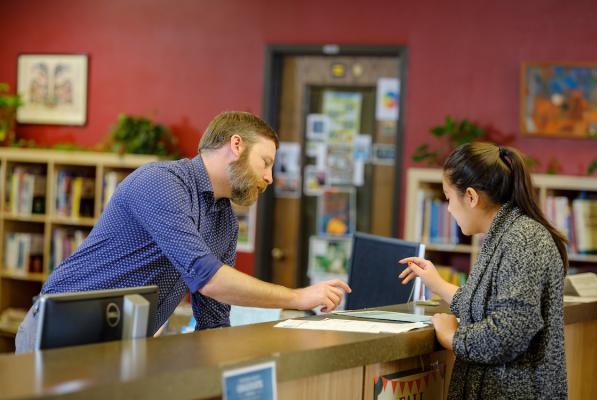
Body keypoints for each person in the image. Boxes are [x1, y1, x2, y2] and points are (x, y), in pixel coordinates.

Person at [16, 111, 351, 353]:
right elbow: (206, 276)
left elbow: (214, 318)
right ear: (236, 145)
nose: (269, 178)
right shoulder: (162, 182)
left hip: (121, 344)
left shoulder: (224, 220)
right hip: (62, 335)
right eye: (265, 162)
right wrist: (297, 297)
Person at [398, 142, 568, 399]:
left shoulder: (522, 239)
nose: (449, 209)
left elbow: (510, 331)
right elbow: (488, 306)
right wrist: (438, 284)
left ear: (470, 196)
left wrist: (453, 339)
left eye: (448, 198)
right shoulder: (505, 233)